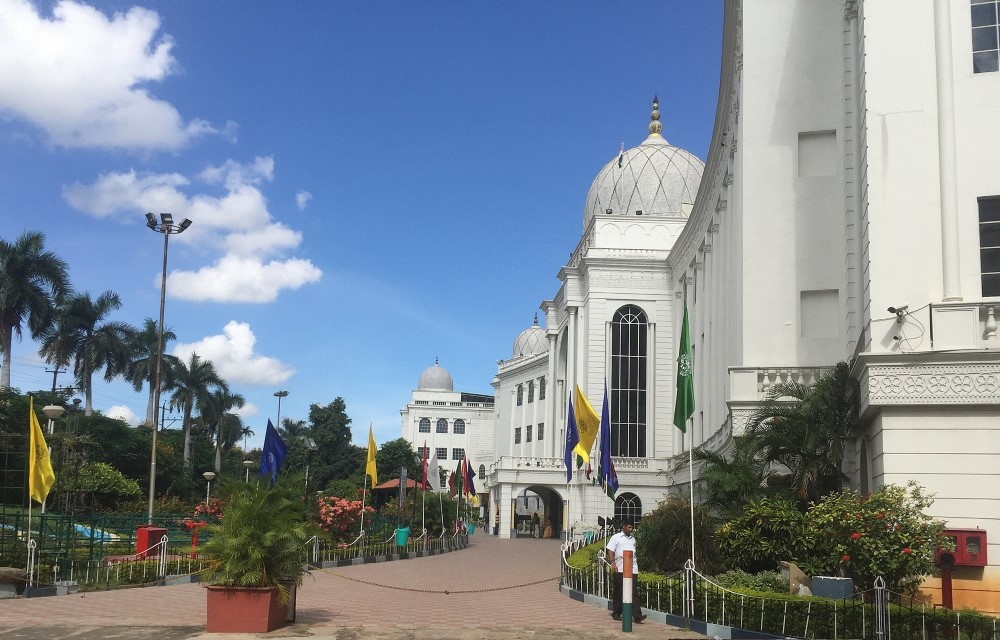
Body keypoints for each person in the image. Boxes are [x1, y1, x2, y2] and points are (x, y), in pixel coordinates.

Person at [605, 521, 647, 623]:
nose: (631, 529)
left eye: (632, 528)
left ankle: (637, 616)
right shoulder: (616, 537)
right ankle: (616, 613)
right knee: (619, 592)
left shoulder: (633, 539)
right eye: (629, 527)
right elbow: (610, 550)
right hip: (620, 569)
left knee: (633, 592)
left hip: (632, 568)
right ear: (623, 526)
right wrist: (612, 563)